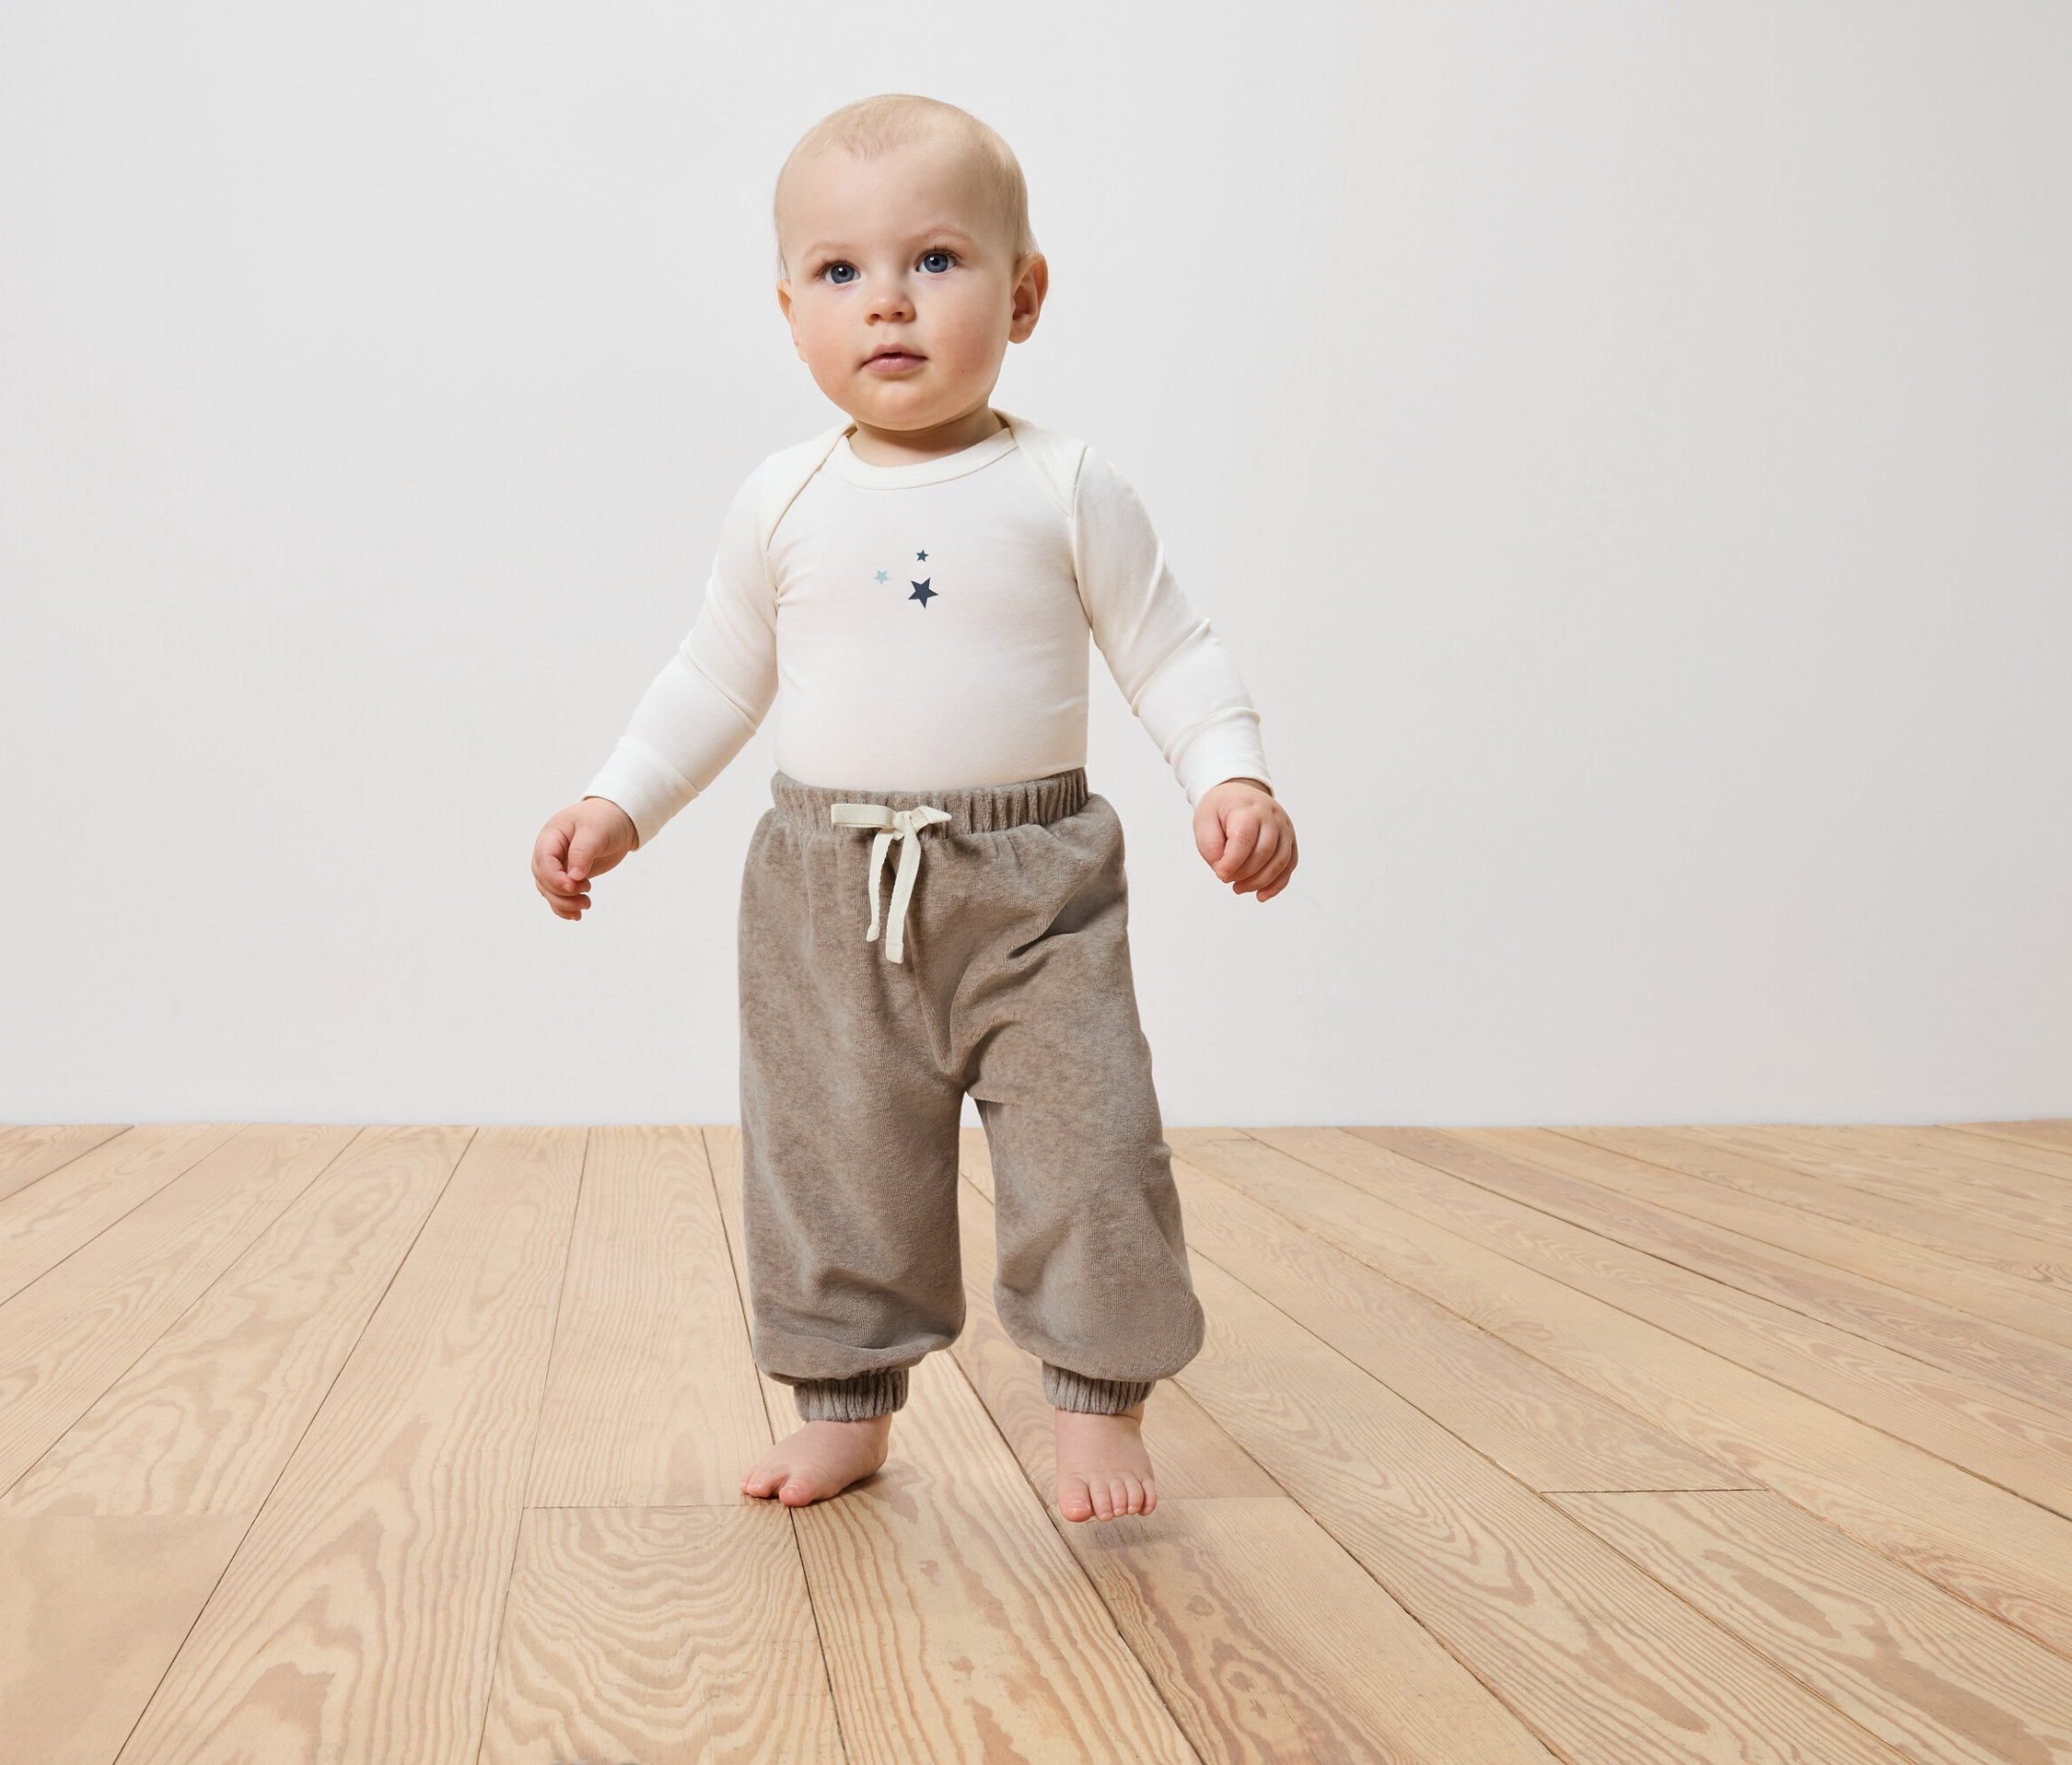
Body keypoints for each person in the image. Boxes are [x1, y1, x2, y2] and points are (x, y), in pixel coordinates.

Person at [531, 94, 1297, 1524]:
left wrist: (1228, 771)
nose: (886, 301)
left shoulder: (1065, 485)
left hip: (1032, 884)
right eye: (839, 271)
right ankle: (841, 1405)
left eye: (934, 260)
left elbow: (1169, 649)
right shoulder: (783, 496)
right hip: (826, 890)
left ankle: (1097, 1400)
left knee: (1089, 1142)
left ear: (1024, 293)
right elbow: (715, 673)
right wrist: (615, 800)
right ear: (790, 312)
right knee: (833, 1156)